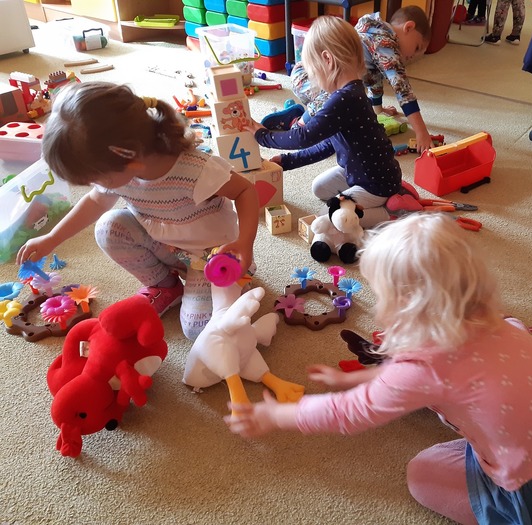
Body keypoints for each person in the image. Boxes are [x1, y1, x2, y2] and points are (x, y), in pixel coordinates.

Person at [224, 213, 532, 525]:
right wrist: (357, 377)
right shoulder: (500, 323)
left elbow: (349, 413)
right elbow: (415, 376)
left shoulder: (426, 367)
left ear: (403, 303)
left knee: (422, 473)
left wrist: (277, 416)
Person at [16, 81, 259, 341]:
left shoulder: (196, 170)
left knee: (198, 330)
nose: (95, 185)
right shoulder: (122, 167)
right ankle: (166, 286)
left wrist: (244, 243)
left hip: (213, 257)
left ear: (129, 157)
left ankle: (236, 283)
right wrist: (52, 238)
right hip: (167, 247)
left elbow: (246, 191)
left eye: (96, 178)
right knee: (109, 228)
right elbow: (95, 202)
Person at [246, 16, 402, 229]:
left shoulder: (345, 99)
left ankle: (390, 214)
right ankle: (370, 204)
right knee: (319, 187)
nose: (315, 81)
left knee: (328, 218)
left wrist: (264, 136)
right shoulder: (349, 94)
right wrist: (288, 161)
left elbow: (304, 136)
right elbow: (327, 145)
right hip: (357, 173)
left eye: (314, 73)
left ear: (327, 60)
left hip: (375, 185)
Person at [286, 6, 434, 153]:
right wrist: (421, 132)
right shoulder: (385, 43)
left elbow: (373, 78)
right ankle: (299, 126)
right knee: (337, 98)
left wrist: (378, 109)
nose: (413, 56)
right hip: (309, 77)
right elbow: (402, 89)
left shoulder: (375, 33)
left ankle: (295, 114)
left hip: (313, 75)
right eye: (417, 47)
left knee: (352, 108)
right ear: (408, 27)